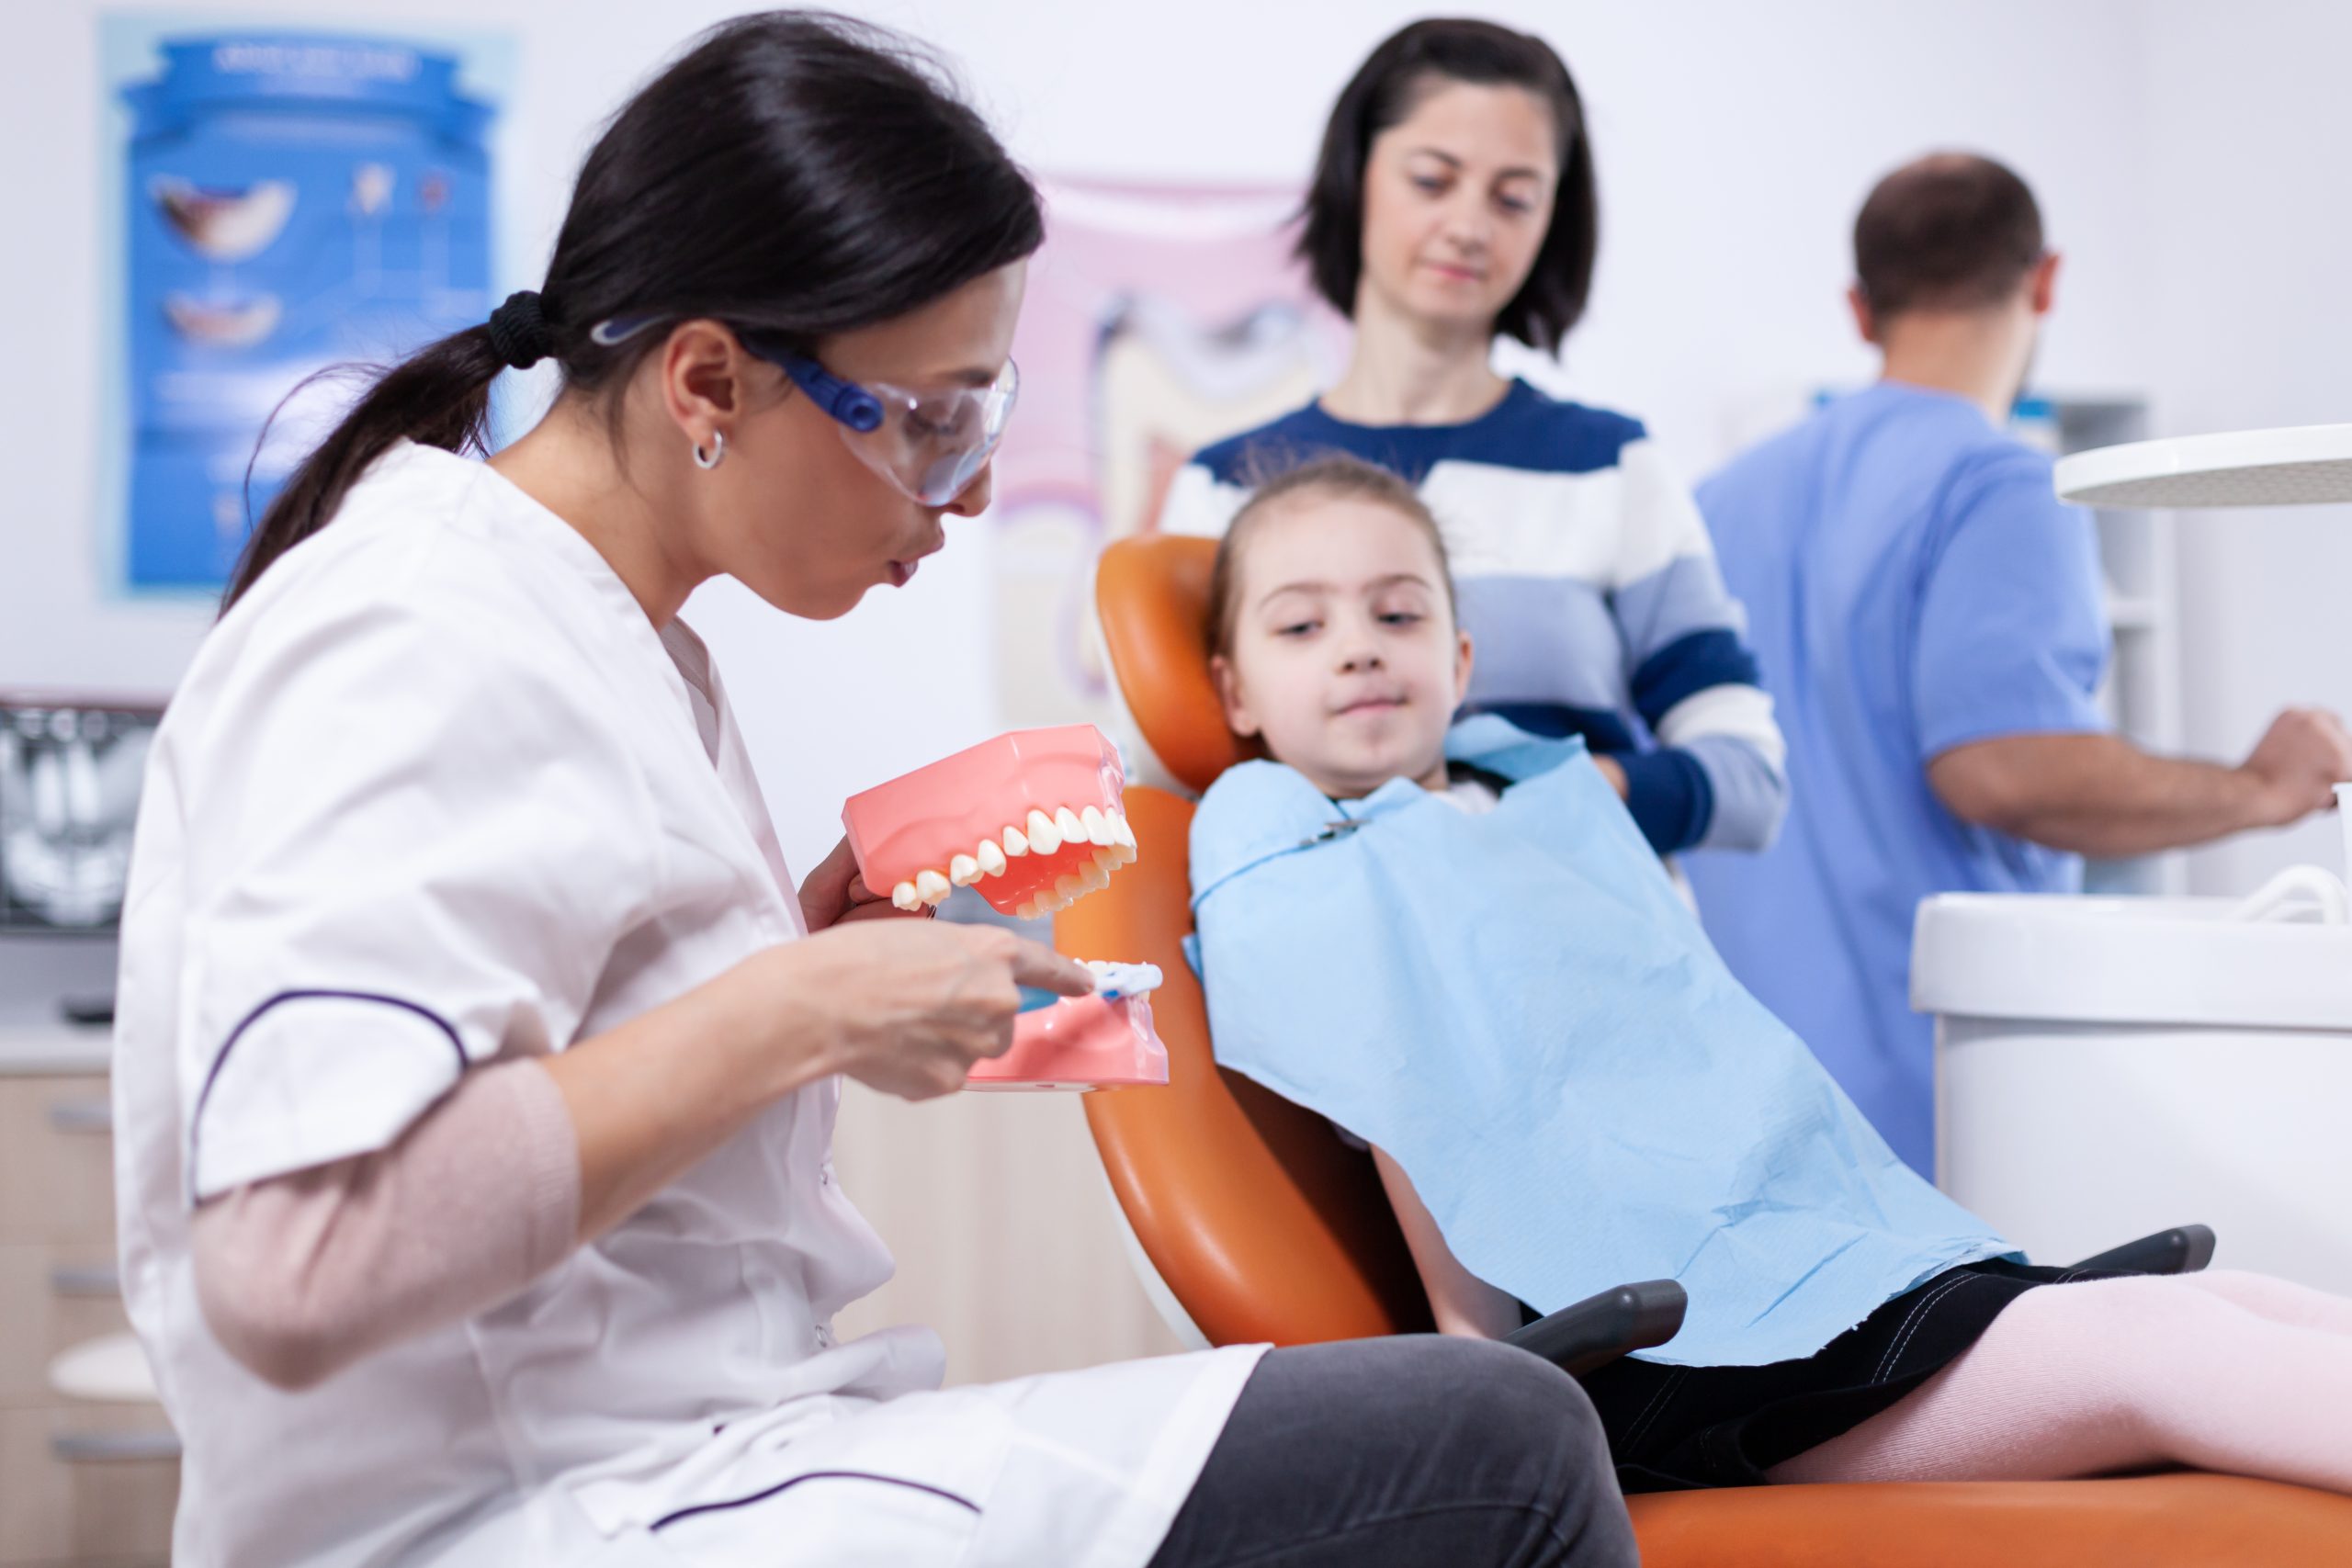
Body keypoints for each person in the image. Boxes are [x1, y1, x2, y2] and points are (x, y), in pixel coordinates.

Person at [111, 17, 1636, 1568]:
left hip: (700, 1453)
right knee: (1502, 1445)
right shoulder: (413, 634)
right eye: (930, 418)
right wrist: (802, 1009)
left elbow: (554, 1053)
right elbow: (295, 1258)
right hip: (540, 1512)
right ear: (708, 378)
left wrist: (785, 967)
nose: (972, 489)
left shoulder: (612, 636)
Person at [1185, 453, 2352, 1495]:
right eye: (1299, 629)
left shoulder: (1529, 812)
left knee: (2237, 1302)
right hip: (1664, 1351)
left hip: (1806, 1274)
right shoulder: (1302, 857)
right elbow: (1412, 1103)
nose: (1356, 646)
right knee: (2156, 1345)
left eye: (1397, 613)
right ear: (1233, 689)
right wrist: (1491, 1377)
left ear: (1462, 655)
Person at [1682, 152, 2352, 1174]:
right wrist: (2263, 787)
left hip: (1742, 1121)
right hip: (1935, 1124)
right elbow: (2002, 769)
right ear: (2044, 281)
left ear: (1860, 310)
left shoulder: (1718, 501)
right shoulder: (2000, 484)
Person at [1151, 18, 1784, 861]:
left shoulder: (1610, 467)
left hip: (1583, 954)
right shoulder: (1222, 487)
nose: (1469, 225)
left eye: (1513, 196)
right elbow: (1161, 790)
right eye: (1432, 180)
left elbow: (1749, 781)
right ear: (1357, 178)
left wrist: (1539, 808)